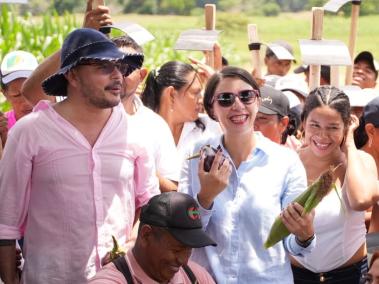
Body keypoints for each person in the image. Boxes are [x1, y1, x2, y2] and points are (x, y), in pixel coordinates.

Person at [0, 28, 158, 283]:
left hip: (118, 278)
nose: (118, 76)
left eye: (119, 66)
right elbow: (6, 224)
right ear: (72, 75)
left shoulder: (136, 132)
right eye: (104, 67)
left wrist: (131, 243)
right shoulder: (29, 133)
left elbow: (149, 204)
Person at [179, 66, 315, 283]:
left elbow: (293, 245)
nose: (238, 106)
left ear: (258, 101)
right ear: (212, 109)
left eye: (246, 96)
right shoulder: (196, 155)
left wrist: (305, 234)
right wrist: (205, 198)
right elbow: (182, 234)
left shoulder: (285, 162)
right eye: (225, 99)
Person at [291, 86, 379, 283]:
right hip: (295, 274)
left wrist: (348, 145)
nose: (322, 136)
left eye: (333, 127)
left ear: (346, 126)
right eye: (315, 125)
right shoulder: (287, 161)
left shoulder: (361, 161)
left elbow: (361, 200)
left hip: (350, 274)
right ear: (303, 122)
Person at [89, 192, 216, 283]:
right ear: (146, 235)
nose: (183, 261)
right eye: (176, 250)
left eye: (188, 250)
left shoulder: (197, 276)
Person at [21, 0, 113, 106]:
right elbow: (32, 91)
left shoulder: (129, 111)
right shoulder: (71, 100)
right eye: (100, 67)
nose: (116, 74)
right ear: (73, 76)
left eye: (121, 66)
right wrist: (81, 40)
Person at [141, 61, 221, 164]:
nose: (201, 99)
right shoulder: (141, 131)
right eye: (196, 93)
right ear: (171, 94)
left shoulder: (209, 126)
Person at [0, 51, 37, 129]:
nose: (26, 102)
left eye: (30, 92)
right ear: (5, 94)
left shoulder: (57, 120)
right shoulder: (3, 127)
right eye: (17, 95)